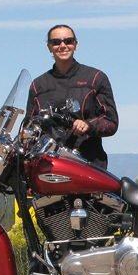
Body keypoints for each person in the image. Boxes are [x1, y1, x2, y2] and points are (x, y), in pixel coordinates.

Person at [26, 25, 118, 169]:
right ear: (49, 47)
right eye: (56, 42)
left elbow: (111, 122)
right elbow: (29, 129)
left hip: (89, 165)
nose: (63, 46)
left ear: (75, 45)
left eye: (68, 41)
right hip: (50, 166)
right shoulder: (38, 85)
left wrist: (88, 125)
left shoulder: (95, 78)